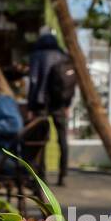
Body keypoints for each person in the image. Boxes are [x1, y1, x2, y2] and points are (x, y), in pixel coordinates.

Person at [27, 30, 69, 186]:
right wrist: (67, 104)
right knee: (62, 139)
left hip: (41, 102)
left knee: (41, 140)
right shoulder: (63, 56)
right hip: (60, 103)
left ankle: (41, 175)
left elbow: (33, 81)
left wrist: (31, 106)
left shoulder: (37, 56)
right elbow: (69, 83)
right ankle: (62, 174)